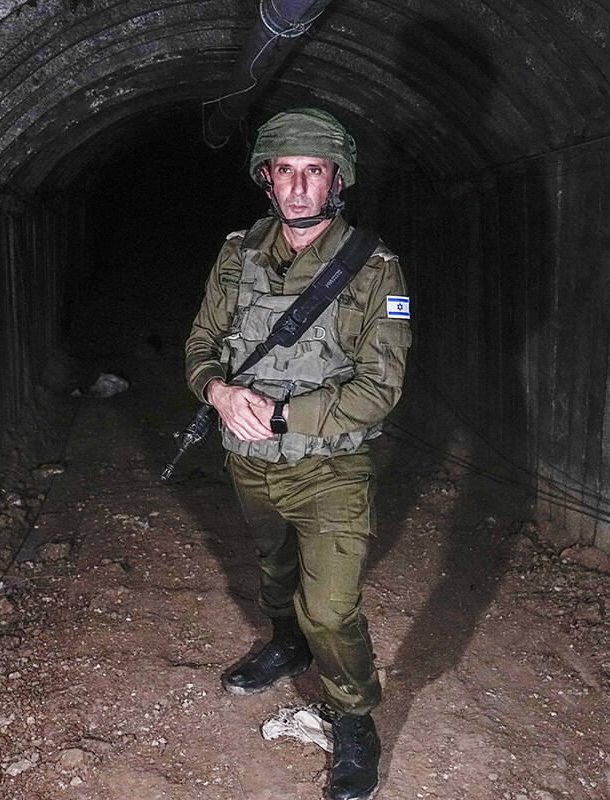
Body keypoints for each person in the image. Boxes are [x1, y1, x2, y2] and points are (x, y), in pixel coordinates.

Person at [184, 108, 411, 800]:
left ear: (336, 181)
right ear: (268, 179)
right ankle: (285, 641)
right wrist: (218, 390)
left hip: (332, 469)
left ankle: (353, 718)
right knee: (274, 569)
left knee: (333, 606)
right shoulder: (236, 255)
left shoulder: (375, 270)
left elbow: (381, 388)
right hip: (247, 461)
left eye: (314, 171)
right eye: (287, 171)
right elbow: (200, 344)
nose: (300, 186)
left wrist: (281, 413)